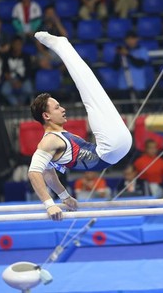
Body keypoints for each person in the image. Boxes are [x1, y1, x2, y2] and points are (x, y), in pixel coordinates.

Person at [28, 31, 132, 221]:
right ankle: (61, 45)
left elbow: (49, 175)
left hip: (113, 150)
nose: (63, 109)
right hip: (109, 150)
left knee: (91, 91)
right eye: (57, 107)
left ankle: (62, 46)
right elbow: (34, 173)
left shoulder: (53, 140)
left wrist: (65, 197)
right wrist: (49, 205)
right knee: (89, 90)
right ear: (46, 115)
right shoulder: (49, 141)